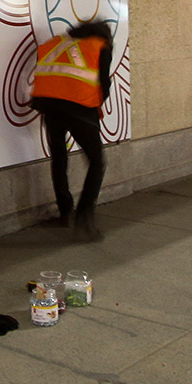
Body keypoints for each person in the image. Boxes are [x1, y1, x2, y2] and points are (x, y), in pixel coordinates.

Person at [30, 19, 114, 240]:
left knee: (59, 157)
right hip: (78, 106)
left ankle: (65, 212)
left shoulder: (57, 42)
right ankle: (84, 219)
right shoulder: (99, 45)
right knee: (97, 162)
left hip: (48, 105)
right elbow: (103, 84)